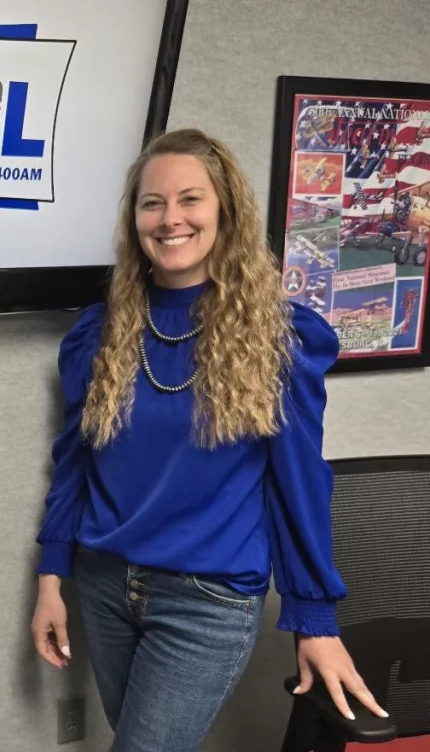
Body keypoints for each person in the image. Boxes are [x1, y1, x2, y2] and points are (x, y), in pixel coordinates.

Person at [29, 128, 388, 751]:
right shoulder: (99, 333)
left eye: (190, 199)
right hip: (105, 583)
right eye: (153, 204)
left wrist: (315, 619)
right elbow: (73, 465)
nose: (171, 219)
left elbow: (298, 483)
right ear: (134, 219)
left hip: (206, 599)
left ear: (225, 211)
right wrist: (50, 577)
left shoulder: (279, 338)